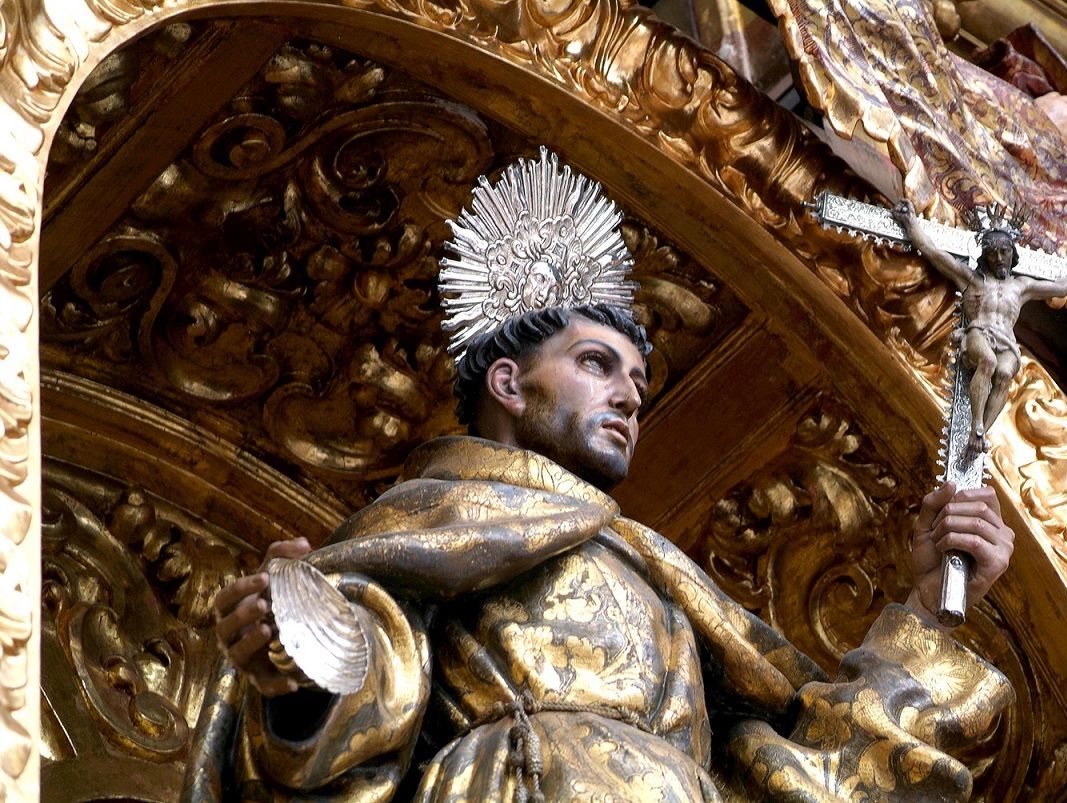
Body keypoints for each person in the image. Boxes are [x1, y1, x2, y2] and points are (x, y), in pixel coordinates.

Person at [184, 300, 1016, 801]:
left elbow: (799, 762)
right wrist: (298, 666)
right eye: (596, 364)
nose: (627, 395)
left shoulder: (657, 575)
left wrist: (929, 603)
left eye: (638, 385)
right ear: (509, 384)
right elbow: (361, 706)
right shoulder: (428, 526)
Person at [892, 200, 1067, 452]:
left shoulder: (1022, 286)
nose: (1000, 258)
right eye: (993, 253)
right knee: (988, 362)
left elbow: (1059, 288)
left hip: (1007, 341)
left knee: (1004, 374)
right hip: (980, 332)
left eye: (1004, 251)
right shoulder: (972, 280)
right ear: (985, 256)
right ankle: (976, 426)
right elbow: (934, 253)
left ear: (1013, 252)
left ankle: (980, 435)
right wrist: (910, 222)